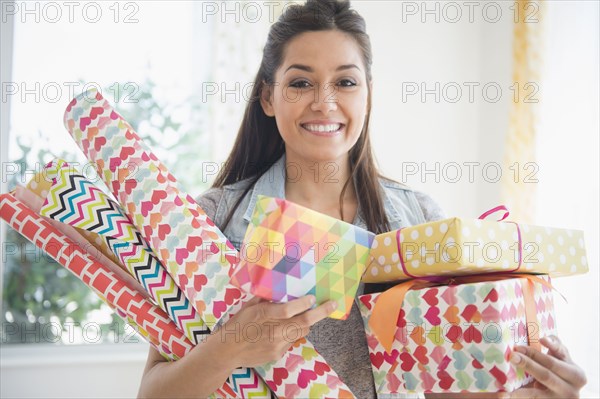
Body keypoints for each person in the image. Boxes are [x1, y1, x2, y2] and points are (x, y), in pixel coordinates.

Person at [137, 1, 587, 398]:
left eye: (346, 82)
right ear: (268, 98)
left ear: (369, 96)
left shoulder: (419, 221)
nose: (324, 102)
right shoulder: (211, 219)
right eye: (300, 83)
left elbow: (445, 385)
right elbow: (153, 395)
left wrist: (530, 393)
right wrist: (232, 346)